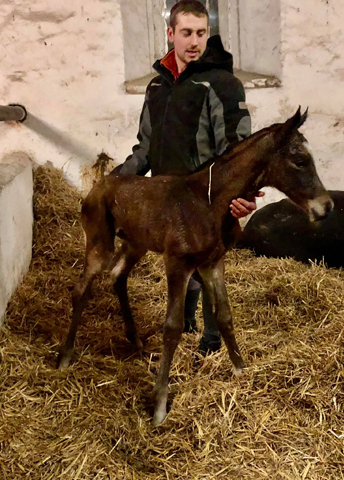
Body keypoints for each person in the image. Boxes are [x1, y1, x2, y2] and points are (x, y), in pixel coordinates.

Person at [111, 0, 264, 353]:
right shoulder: (156, 88)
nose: (194, 42)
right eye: (186, 33)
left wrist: (243, 198)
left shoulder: (223, 85)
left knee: (207, 269)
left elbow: (238, 151)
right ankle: (189, 324)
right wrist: (115, 182)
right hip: (167, 199)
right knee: (182, 266)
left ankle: (211, 345)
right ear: (171, 34)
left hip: (207, 200)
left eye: (200, 33)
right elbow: (144, 149)